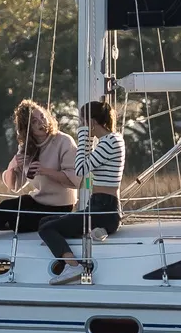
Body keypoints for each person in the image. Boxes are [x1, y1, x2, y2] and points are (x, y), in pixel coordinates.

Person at [0, 99, 76, 248]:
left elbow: (74, 181)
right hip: (38, 201)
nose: (42, 122)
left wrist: (46, 171)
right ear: (27, 128)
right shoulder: (27, 147)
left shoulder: (64, 141)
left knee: (15, 219)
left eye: (42, 116)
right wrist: (13, 165)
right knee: (7, 206)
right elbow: (14, 186)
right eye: (34, 121)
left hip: (61, 206)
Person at [38, 100, 125, 285]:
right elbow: (88, 167)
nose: (80, 126)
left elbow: (80, 169)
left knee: (47, 228)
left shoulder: (109, 142)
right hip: (99, 206)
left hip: (104, 209)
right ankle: (92, 233)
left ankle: (73, 266)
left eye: (82, 122)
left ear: (91, 122)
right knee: (45, 221)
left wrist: (84, 137)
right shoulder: (110, 140)